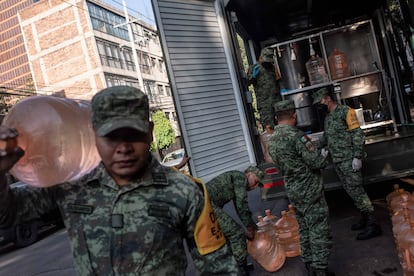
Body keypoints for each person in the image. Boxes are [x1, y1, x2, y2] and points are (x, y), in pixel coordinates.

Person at [0, 86, 240, 275]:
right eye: (111, 137)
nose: (123, 148)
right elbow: (7, 215)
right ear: (93, 135)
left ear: (150, 131)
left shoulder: (184, 192)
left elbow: (218, 268)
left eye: (133, 135)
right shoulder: (70, 185)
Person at [267, 100, 333, 276]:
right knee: (318, 229)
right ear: (294, 115)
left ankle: (309, 265)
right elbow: (315, 162)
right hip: (310, 190)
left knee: (303, 228)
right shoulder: (297, 136)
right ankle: (321, 270)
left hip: (294, 192)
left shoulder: (271, 140)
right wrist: (323, 155)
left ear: (277, 118)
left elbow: (281, 163)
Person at [312, 87, 382, 240]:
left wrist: (357, 156)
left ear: (328, 99)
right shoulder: (328, 117)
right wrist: (316, 146)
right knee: (351, 192)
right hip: (338, 161)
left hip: (349, 160)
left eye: (320, 101)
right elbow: (326, 137)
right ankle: (364, 218)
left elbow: (357, 133)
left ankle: (373, 225)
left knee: (358, 192)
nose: (319, 105)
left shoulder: (346, 111)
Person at [205, 166, 265, 276]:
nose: (255, 187)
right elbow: (242, 206)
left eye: (257, 186)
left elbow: (239, 206)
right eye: (256, 182)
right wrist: (250, 228)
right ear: (249, 174)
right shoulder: (240, 178)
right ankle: (241, 271)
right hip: (205, 205)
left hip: (206, 203)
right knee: (237, 234)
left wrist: (250, 226)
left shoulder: (237, 178)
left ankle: (234, 267)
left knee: (227, 235)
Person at [247, 47, 282, 128]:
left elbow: (278, 80)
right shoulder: (253, 68)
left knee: (281, 125)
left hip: (276, 101)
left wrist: (282, 89)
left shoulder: (272, 67)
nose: (267, 62)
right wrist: (253, 76)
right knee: (268, 127)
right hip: (264, 103)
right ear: (260, 57)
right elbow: (247, 83)